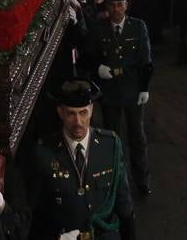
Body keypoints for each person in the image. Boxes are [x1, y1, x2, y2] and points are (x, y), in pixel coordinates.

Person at [24, 80, 135, 240]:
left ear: (91, 110)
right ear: (60, 112)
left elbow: (124, 204)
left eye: (83, 113)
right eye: (71, 113)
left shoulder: (110, 145)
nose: (78, 122)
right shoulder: (43, 152)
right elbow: (34, 212)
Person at [85, 0, 153, 197]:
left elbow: (145, 61)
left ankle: (141, 180)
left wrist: (144, 88)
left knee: (137, 138)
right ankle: (118, 183)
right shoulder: (99, 29)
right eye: (113, 5)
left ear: (126, 6)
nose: (117, 9)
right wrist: (98, 68)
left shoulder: (137, 27)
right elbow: (87, 56)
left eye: (120, 4)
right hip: (110, 92)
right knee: (113, 139)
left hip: (132, 90)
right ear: (107, 7)